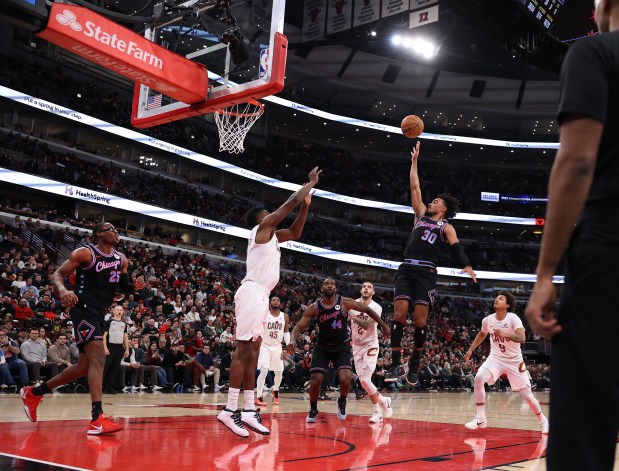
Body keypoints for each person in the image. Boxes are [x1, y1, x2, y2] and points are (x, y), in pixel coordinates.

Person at [524, 2, 619, 469]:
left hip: (610, 250)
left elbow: (578, 160)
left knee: (583, 435)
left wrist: (545, 274)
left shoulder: (596, 53)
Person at [217, 166, 321, 438]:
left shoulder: (275, 238)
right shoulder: (261, 231)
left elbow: (296, 232)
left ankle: (249, 410)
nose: (272, 219)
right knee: (243, 352)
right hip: (252, 292)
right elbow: (286, 207)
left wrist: (305, 206)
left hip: (262, 295)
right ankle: (229, 410)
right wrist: (308, 185)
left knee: (253, 354)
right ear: (261, 220)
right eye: (268, 216)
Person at [20, 222, 145, 435]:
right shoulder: (85, 253)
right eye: (110, 229)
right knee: (98, 359)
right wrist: (62, 290)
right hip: (82, 308)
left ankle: (34, 393)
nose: (115, 232)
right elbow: (56, 275)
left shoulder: (121, 259)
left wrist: (136, 287)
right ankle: (97, 417)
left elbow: (124, 288)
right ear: (98, 234)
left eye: (116, 230)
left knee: (83, 367)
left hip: (100, 310)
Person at [385, 142, 477, 386]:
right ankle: (396, 364)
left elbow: (456, 246)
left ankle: (415, 362)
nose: (432, 202)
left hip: (426, 271)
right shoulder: (420, 215)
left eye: (436, 201)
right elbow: (414, 186)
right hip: (407, 268)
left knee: (420, 321)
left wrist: (466, 265)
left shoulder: (446, 226)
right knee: (398, 314)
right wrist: (414, 162)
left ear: (444, 208)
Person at [288, 277, 390, 423]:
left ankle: (342, 401)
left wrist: (383, 325)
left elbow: (366, 309)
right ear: (321, 288)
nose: (329, 285)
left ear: (335, 288)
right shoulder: (315, 307)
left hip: (341, 347)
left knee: (346, 379)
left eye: (332, 283)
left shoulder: (344, 302)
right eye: (326, 284)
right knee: (316, 380)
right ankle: (313, 408)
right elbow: (298, 327)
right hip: (322, 347)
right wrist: (292, 339)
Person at [464, 292, 548, 433]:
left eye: (501, 299)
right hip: (495, 358)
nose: (497, 300)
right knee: (478, 378)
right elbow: (482, 333)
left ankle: (543, 421)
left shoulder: (513, 318)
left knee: (527, 395)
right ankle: (480, 418)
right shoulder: (488, 320)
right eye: (496, 298)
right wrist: (471, 349)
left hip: (515, 361)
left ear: (507, 305)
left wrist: (506, 334)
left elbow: (522, 338)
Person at [347, 281, 393, 423]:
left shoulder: (376, 308)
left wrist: (352, 316)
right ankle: (384, 401)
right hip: (356, 346)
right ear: (361, 290)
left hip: (370, 344)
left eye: (369, 287)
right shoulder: (352, 304)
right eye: (364, 287)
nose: (366, 288)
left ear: (373, 292)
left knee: (366, 379)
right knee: (363, 382)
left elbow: (367, 325)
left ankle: (377, 412)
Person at [255, 296, 288, 407]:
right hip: (265, 346)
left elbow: (286, 332)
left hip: (277, 347)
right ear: (270, 303)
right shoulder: (265, 315)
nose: (276, 301)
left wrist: (288, 346)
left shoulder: (285, 316)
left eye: (278, 300)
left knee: (279, 373)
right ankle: (259, 396)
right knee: (264, 370)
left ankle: (275, 390)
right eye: (273, 300)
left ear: (280, 303)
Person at [102, 304, 129, 394]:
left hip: (119, 348)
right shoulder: (109, 322)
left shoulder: (124, 324)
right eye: (117, 309)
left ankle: (109, 387)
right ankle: (100, 386)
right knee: (105, 368)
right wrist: (105, 348)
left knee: (114, 368)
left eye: (121, 310)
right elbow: (104, 336)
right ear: (113, 311)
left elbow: (125, 337)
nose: (119, 311)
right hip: (110, 347)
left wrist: (127, 349)